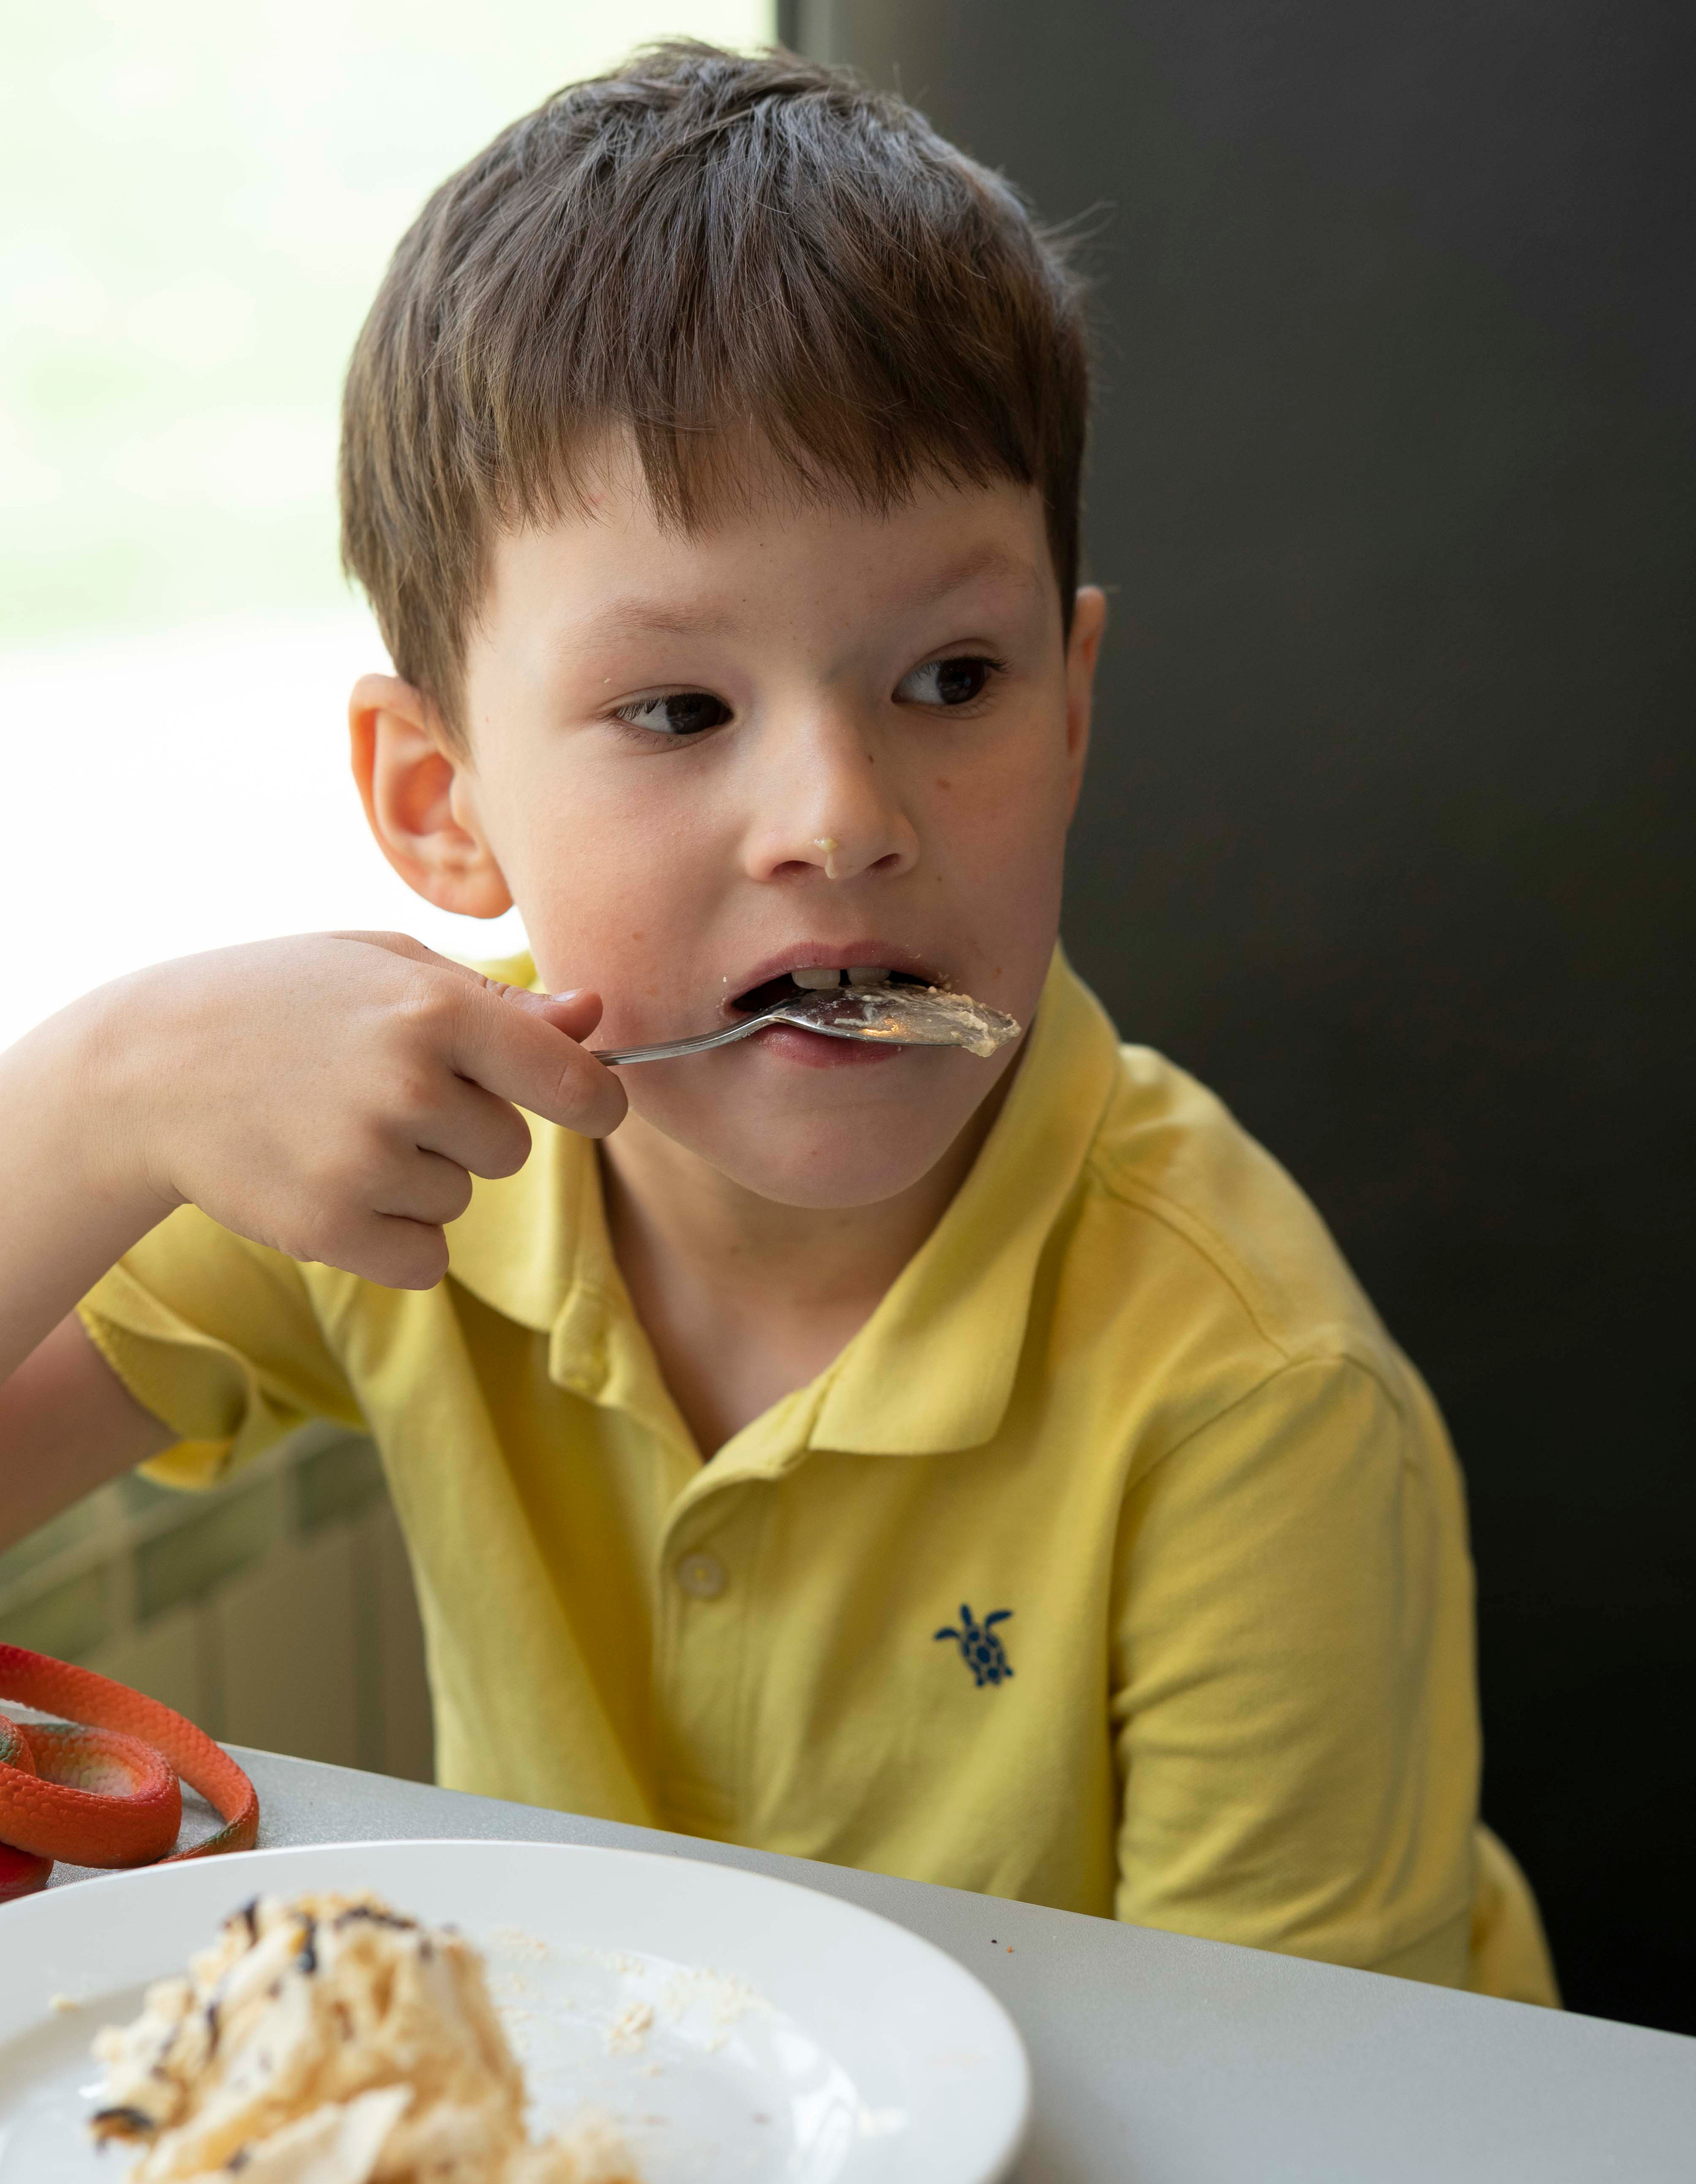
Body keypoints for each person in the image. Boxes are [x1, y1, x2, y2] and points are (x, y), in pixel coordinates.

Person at [0, 44, 1555, 2002]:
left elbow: (1302, 2116)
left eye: (952, 677)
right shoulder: (422, 1168)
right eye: (679, 710)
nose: (840, 818)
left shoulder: (1251, 1393)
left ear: (1074, 707)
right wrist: (105, 1093)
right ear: (440, 802)